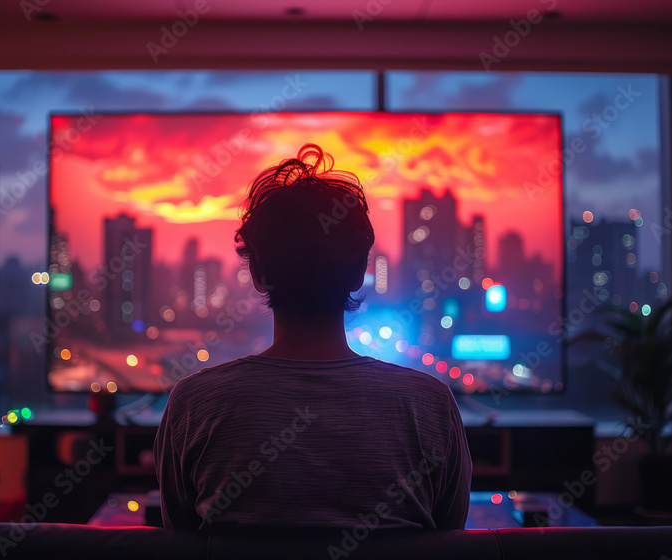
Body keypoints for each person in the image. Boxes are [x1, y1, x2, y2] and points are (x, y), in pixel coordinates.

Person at [154, 144, 471, 531]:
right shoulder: (430, 407)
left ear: (256, 274)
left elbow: (180, 543)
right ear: (360, 273)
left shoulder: (193, 406)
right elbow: (451, 541)